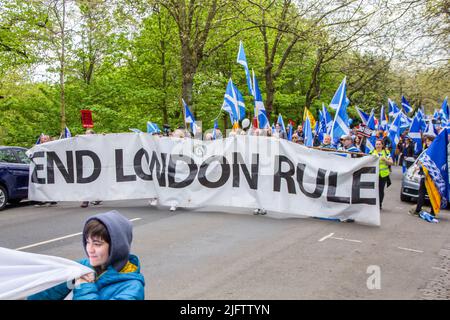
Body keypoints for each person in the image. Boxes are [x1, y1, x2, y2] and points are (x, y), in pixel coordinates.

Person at [28, 210, 145, 300]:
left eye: (97, 244)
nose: (90, 249)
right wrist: (70, 281)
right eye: (87, 242)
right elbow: (42, 295)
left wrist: (83, 285)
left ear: (117, 247)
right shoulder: (82, 267)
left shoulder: (132, 288)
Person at [409, 135, 435, 217]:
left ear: (432, 142)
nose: (426, 142)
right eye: (426, 141)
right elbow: (421, 161)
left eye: (428, 141)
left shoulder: (432, 151)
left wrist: (420, 167)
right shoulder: (427, 150)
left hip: (431, 176)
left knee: (430, 194)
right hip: (424, 175)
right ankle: (419, 209)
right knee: (422, 193)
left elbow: (429, 163)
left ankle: (431, 211)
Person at [81, 129, 102, 208]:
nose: (86, 136)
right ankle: (85, 200)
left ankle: (98, 197)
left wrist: (104, 137)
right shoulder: (82, 142)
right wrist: (76, 139)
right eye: (85, 134)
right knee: (86, 182)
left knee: (96, 182)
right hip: (86, 165)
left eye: (88, 134)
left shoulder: (98, 141)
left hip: (97, 165)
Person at [370, 139, 393, 210]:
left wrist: (385, 160)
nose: (378, 145)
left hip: (383, 174)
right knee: (373, 190)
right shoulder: (371, 152)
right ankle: (372, 203)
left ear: (382, 145)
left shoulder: (386, 152)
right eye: (377, 144)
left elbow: (391, 162)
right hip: (373, 174)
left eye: (379, 144)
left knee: (380, 190)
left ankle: (379, 204)